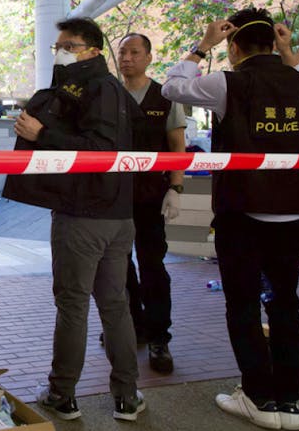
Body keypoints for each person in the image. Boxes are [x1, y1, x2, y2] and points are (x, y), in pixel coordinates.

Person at [162, 8, 299, 431]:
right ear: (274, 44)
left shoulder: (228, 82)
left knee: (243, 304)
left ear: (233, 48)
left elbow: (172, 88)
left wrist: (202, 45)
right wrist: (289, 51)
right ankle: (288, 404)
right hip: (294, 213)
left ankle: (257, 396)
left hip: (245, 213)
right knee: (285, 302)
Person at [3, 17, 144, 422]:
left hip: (85, 215)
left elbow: (97, 150)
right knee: (115, 305)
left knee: (74, 305)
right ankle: (127, 397)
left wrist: (41, 134)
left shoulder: (95, 88)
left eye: (69, 45)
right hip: (117, 214)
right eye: (58, 46)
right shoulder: (108, 90)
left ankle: (62, 394)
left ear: (94, 50)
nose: (61, 51)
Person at [116, 33, 186, 374]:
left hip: (150, 196)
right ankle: (134, 326)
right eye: (122, 52)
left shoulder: (166, 97)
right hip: (113, 196)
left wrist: (177, 187)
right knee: (119, 264)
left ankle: (160, 338)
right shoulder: (107, 94)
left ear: (148, 57)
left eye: (134, 52)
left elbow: (177, 145)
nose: (126, 58)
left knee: (153, 266)